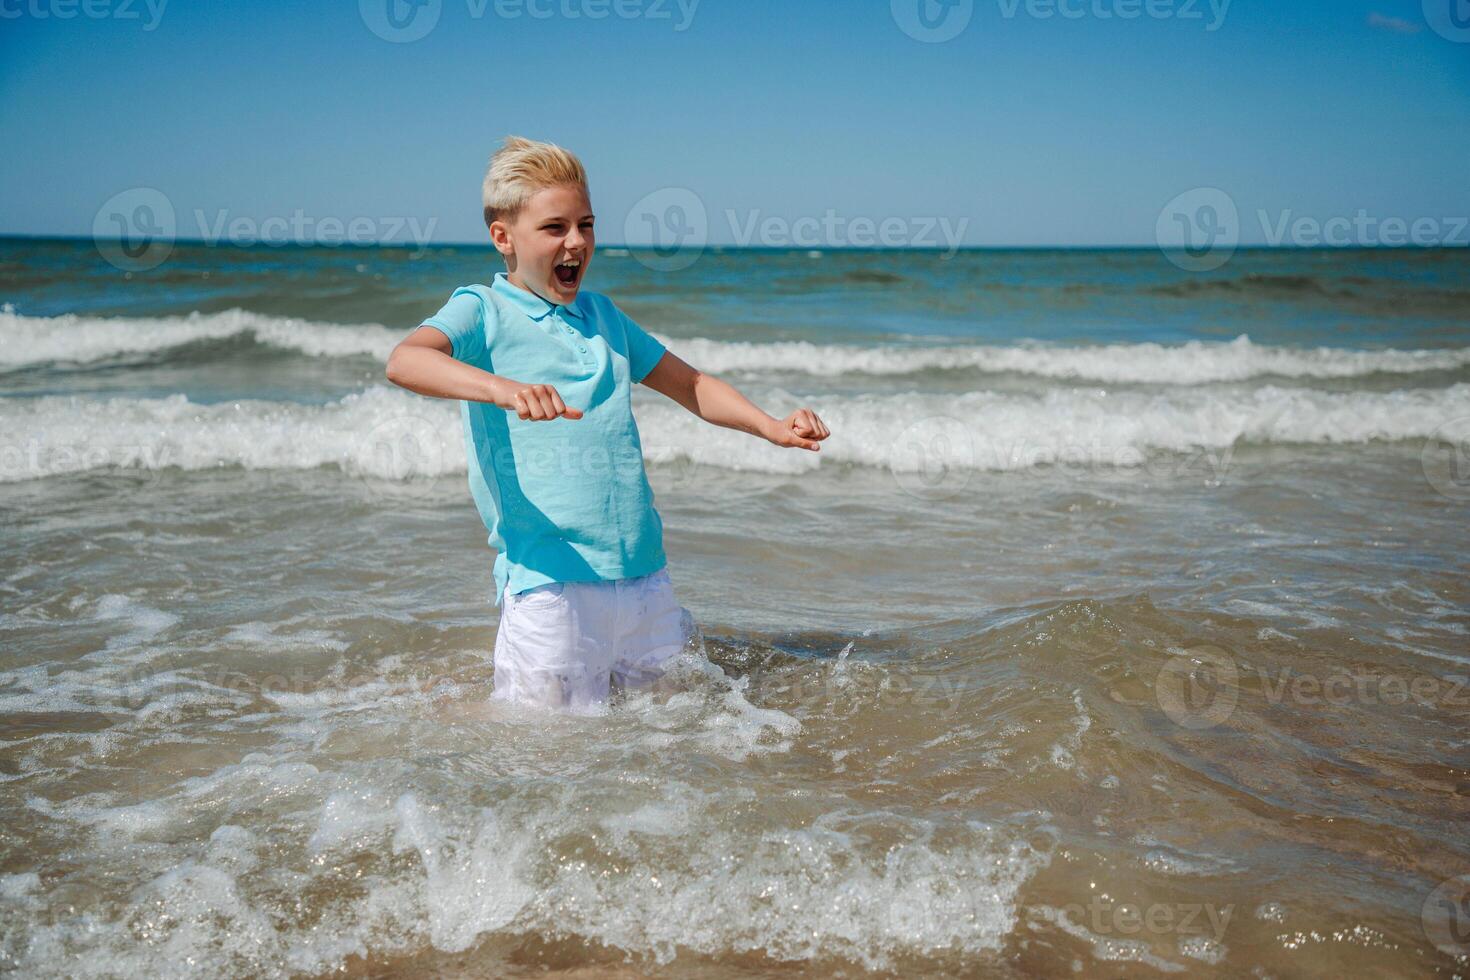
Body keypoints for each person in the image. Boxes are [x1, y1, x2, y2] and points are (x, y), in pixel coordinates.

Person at [385, 135, 831, 713]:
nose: (575, 242)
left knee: (674, 743)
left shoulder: (604, 316)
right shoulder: (482, 309)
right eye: (554, 228)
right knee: (544, 764)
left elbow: (692, 386)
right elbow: (406, 360)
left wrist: (770, 426)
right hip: (549, 584)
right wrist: (505, 390)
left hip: (644, 576)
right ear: (503, 237)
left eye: (586, 225)